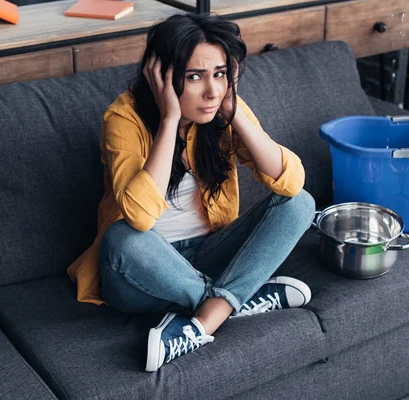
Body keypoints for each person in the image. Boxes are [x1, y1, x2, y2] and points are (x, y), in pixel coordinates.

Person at [67, 12, 316, 372]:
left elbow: (290, 183)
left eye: (219, 74)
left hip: (207, 253)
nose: (212, 90)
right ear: (163, 78)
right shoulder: (123, 118)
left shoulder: (220, 107)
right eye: (194, 76)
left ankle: (205, 316)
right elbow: (138, 218)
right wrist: (169, 120)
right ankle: (232, 302)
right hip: (142, 273)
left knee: (300, 204)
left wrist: (236, 113)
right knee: (123, 237)